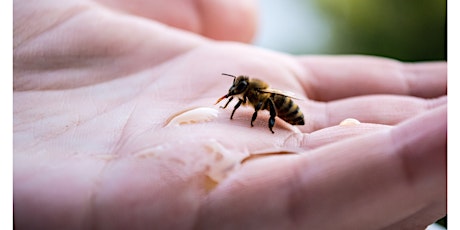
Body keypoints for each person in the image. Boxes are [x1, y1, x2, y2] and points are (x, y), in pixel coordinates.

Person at [13, 0, 446, 229]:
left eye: (237, 91)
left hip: (281, 112)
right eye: (236, 91)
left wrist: (266, 121)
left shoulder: (262, 100)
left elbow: (263, 105)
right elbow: (237, 96)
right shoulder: (243, 92)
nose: (235, 94)